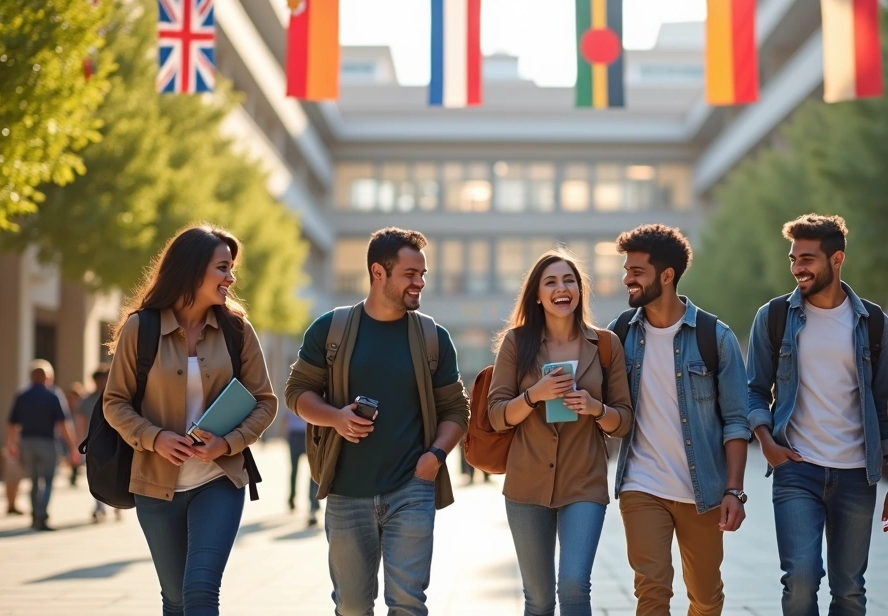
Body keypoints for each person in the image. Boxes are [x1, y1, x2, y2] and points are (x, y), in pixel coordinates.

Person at [285, 228, 469, 616]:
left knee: (408, 603)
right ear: (378, 273)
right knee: (352, 606)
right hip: (346, 491)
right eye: (410, 274)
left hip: (412, 489)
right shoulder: (330, 329)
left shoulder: (433, 337)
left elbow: (456, 409)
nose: (420, 283)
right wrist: (336, 418)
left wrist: (435, 456)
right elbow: (297, 393)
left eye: (422, 274)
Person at [103, 225, 278, 615]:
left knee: (200, 591)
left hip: (219, 480)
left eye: (231, 268)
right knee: (177, 599)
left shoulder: (236, 329)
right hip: (155, 485)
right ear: (192, 269)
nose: (231, 278)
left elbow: (265, 402)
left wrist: (227, 443)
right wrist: (154, 437)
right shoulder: (141, 328)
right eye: (222, 268)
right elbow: (114, 402)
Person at [746, 214, 888, 616]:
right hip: (796, 469)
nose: (798, 267)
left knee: (849, 590)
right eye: (793, 258)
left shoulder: (871, 323)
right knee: (800, 579)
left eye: (808, 258)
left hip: (856, 473)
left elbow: (886, 403)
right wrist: (766, 443)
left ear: (837, 259)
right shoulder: (775, 317)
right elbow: (752, 390)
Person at [608, 225, 749, 616]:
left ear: (666, 276)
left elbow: (737, 421)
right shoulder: (619, 334)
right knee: (651, 592)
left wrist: (734, 491)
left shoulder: (714, 338)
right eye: (627, 270)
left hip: (700, 490)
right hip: (641, 485)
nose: (627, 279)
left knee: (705, 598)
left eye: (636, 271)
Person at [487, 249, 632, 616]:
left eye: (569, 280)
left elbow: (625, 419)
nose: (561, 288)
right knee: (537, 599)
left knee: (573, 585)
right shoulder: (516, 343)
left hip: (584, 481)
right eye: (550, 282)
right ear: (537, 294)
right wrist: (536, 394)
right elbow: (497, 416)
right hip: (526, 484)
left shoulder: (605, 344)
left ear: (580, 291)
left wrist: (595, 408)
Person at [5, 359, 82, 531]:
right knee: (47, 481)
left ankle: (34, 516)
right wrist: (72, 447)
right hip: (47, 443)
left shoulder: (22, 395)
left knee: (33, 481)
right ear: (47, 377)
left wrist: (11, 444)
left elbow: (11, 423)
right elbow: (63, 424)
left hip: (26, 443)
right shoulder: (54, 395)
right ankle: (42, 517)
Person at [77, 365, 119, 522]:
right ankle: (100, 507)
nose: (101, 382)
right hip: (95, 444)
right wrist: (79, 442)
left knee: (117, 474)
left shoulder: (116, 395)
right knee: (98, 475)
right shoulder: (87, 400)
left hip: (116, 442)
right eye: (98, 379)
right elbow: (81, 422)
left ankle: (117, 506)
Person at [284, 406, 319, 526]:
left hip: (307, 434)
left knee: (312, 472)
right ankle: (294, 499)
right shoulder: (291, 391)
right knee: (296, 470)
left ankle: (312, 507)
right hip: (299, 434)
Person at [64, 382, 85, 487]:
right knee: (71, 452)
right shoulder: (66, 406)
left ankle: (74, 471)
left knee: (76, 453)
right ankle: (74, 471)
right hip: (70, 430)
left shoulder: (81, 406)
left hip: (78, 430)